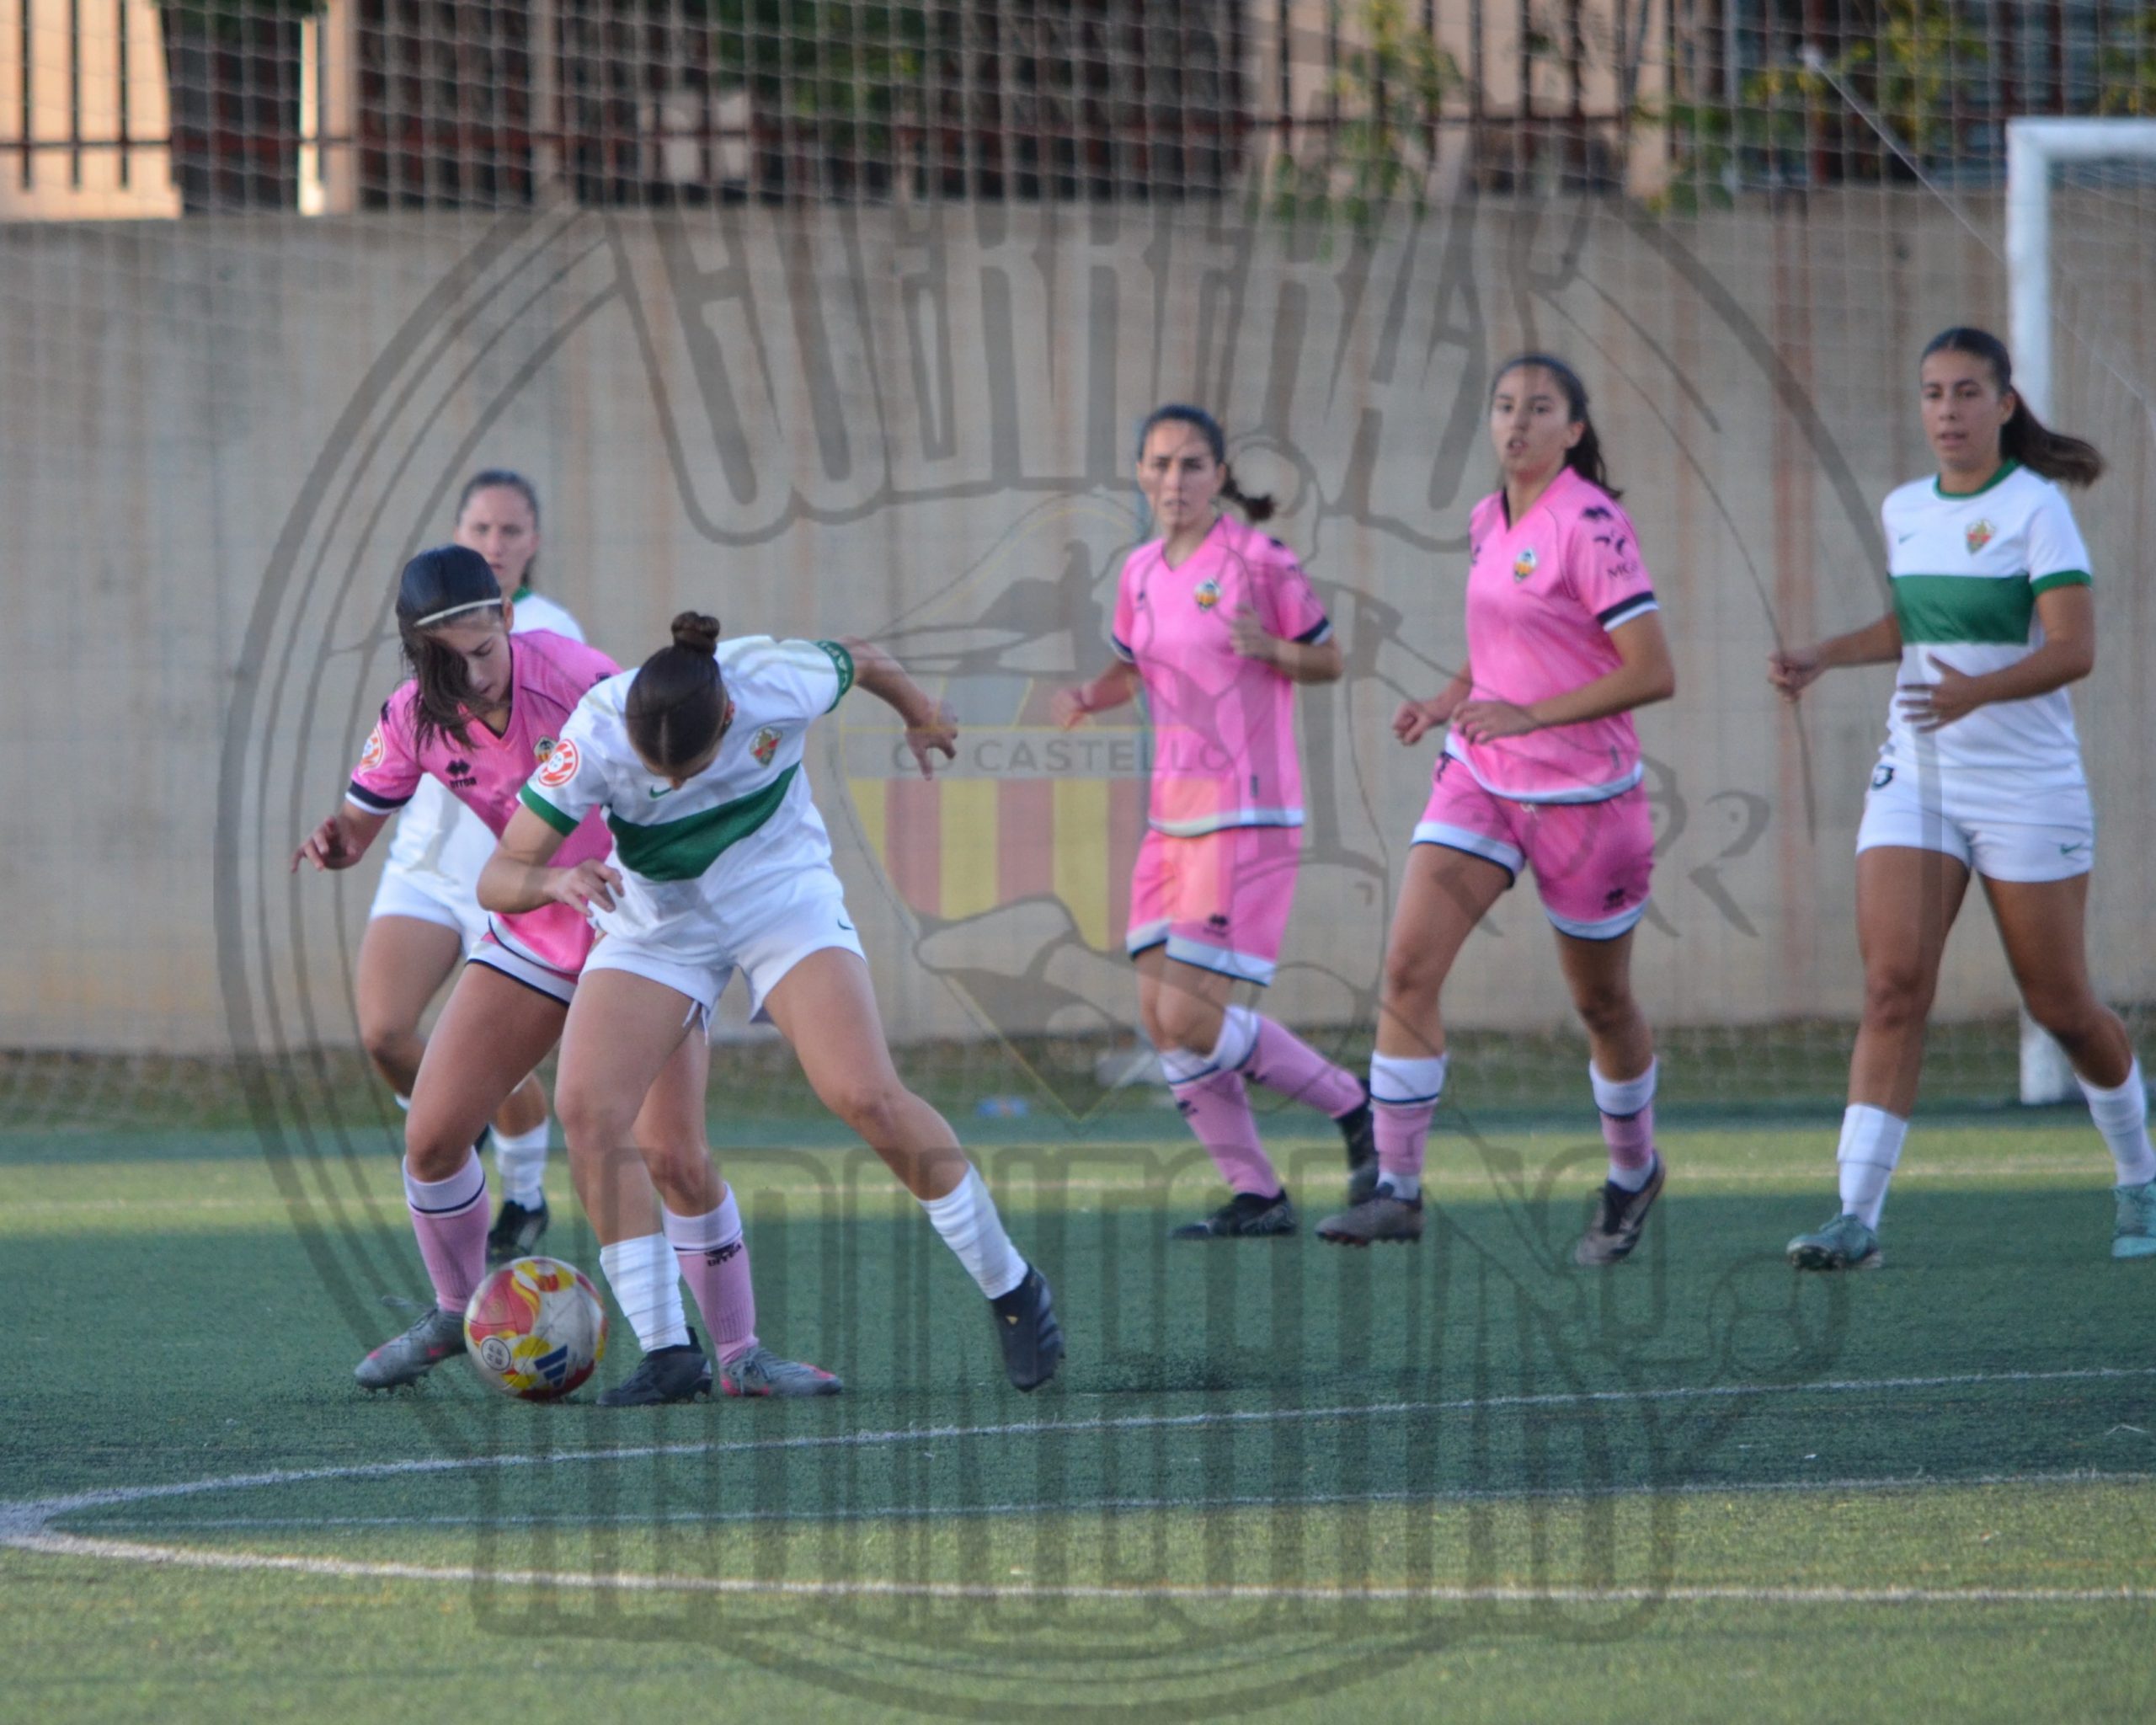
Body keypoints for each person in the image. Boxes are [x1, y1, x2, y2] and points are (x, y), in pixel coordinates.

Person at [299, 548, 833, 1403]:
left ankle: (739, 1354)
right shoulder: (408, 719)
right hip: (535, 928)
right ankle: (455, 1311)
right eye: (448, 659)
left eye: (484, 650)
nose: (473, 674)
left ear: (508, 619)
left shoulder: (579, 678)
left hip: (642, 934)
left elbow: (668, 765)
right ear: (416, 651)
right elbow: (360, 825)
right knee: (432, 1136)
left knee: (674, 1155)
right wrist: (338, 841)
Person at [478, 613, 1064, 1392]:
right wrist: (553, 879)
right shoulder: (596, 733)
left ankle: (1013, 1288)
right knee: (589, 1111)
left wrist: (921, 712)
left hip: (780, 898)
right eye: (659, 772)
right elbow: (499, 876)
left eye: (688, 770)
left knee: (865, 1095)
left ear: (728, 716)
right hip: (658, 922)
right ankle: (670, 1352)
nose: (674, 785)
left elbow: (862, 656)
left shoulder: (771, 679)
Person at [1771, 326, 2156, 1269]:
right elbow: (1915, 622)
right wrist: (1824, 653)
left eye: (1967, 392)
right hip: (1918, 773)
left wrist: (1976, 692)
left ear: (2004, 404)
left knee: (2061, 1005)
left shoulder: (2035, 509)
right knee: (1893, 985)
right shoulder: (1905, 508)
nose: (1947, 410)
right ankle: (1855, 1216)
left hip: (2027, 787)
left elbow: (2074, 648)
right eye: (1933, 393)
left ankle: (2139, 1175)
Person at [1316, 355, 1677, 1262]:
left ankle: (1633, 1171)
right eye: (1505, 406)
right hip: (1480, 777)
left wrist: (1530, 714)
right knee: (1407, 965)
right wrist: (1450, 699)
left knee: (1602, 1004)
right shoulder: (1489, 518)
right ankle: (1397, 1189)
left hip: (1586, 799)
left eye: (1540, 408)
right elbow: (1504, 642)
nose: (1517, 422)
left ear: (1574, 430)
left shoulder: (1591, 525)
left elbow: (1652, 671)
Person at [1053, 404, 1377, 1240]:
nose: (1174, 480)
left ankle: (1355, 1104)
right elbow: (1132, 665)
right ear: (1140, 474)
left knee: (1194, 1021)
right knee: (1164, 1024)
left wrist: (1272, 648)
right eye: (1159, 464)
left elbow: (1329, 657)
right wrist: (1089, 696)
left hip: (1247, 813)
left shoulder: (1258, 560)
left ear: (1220, 475)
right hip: (1171, 820)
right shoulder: (1138, 571)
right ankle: (1257, 1194)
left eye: (1192, 464)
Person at [358, 470, 580, 1264]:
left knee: (493, 1054)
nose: (495, 543)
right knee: (385, 1032)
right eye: (481, 529)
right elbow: (399, 737)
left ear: (533, 543)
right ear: (458, 535)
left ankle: (521, 1196)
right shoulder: (431, 625)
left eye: (511, 530)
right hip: (425, 861)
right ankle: (461, 1135)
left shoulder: (549, 635)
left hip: (512, 872)